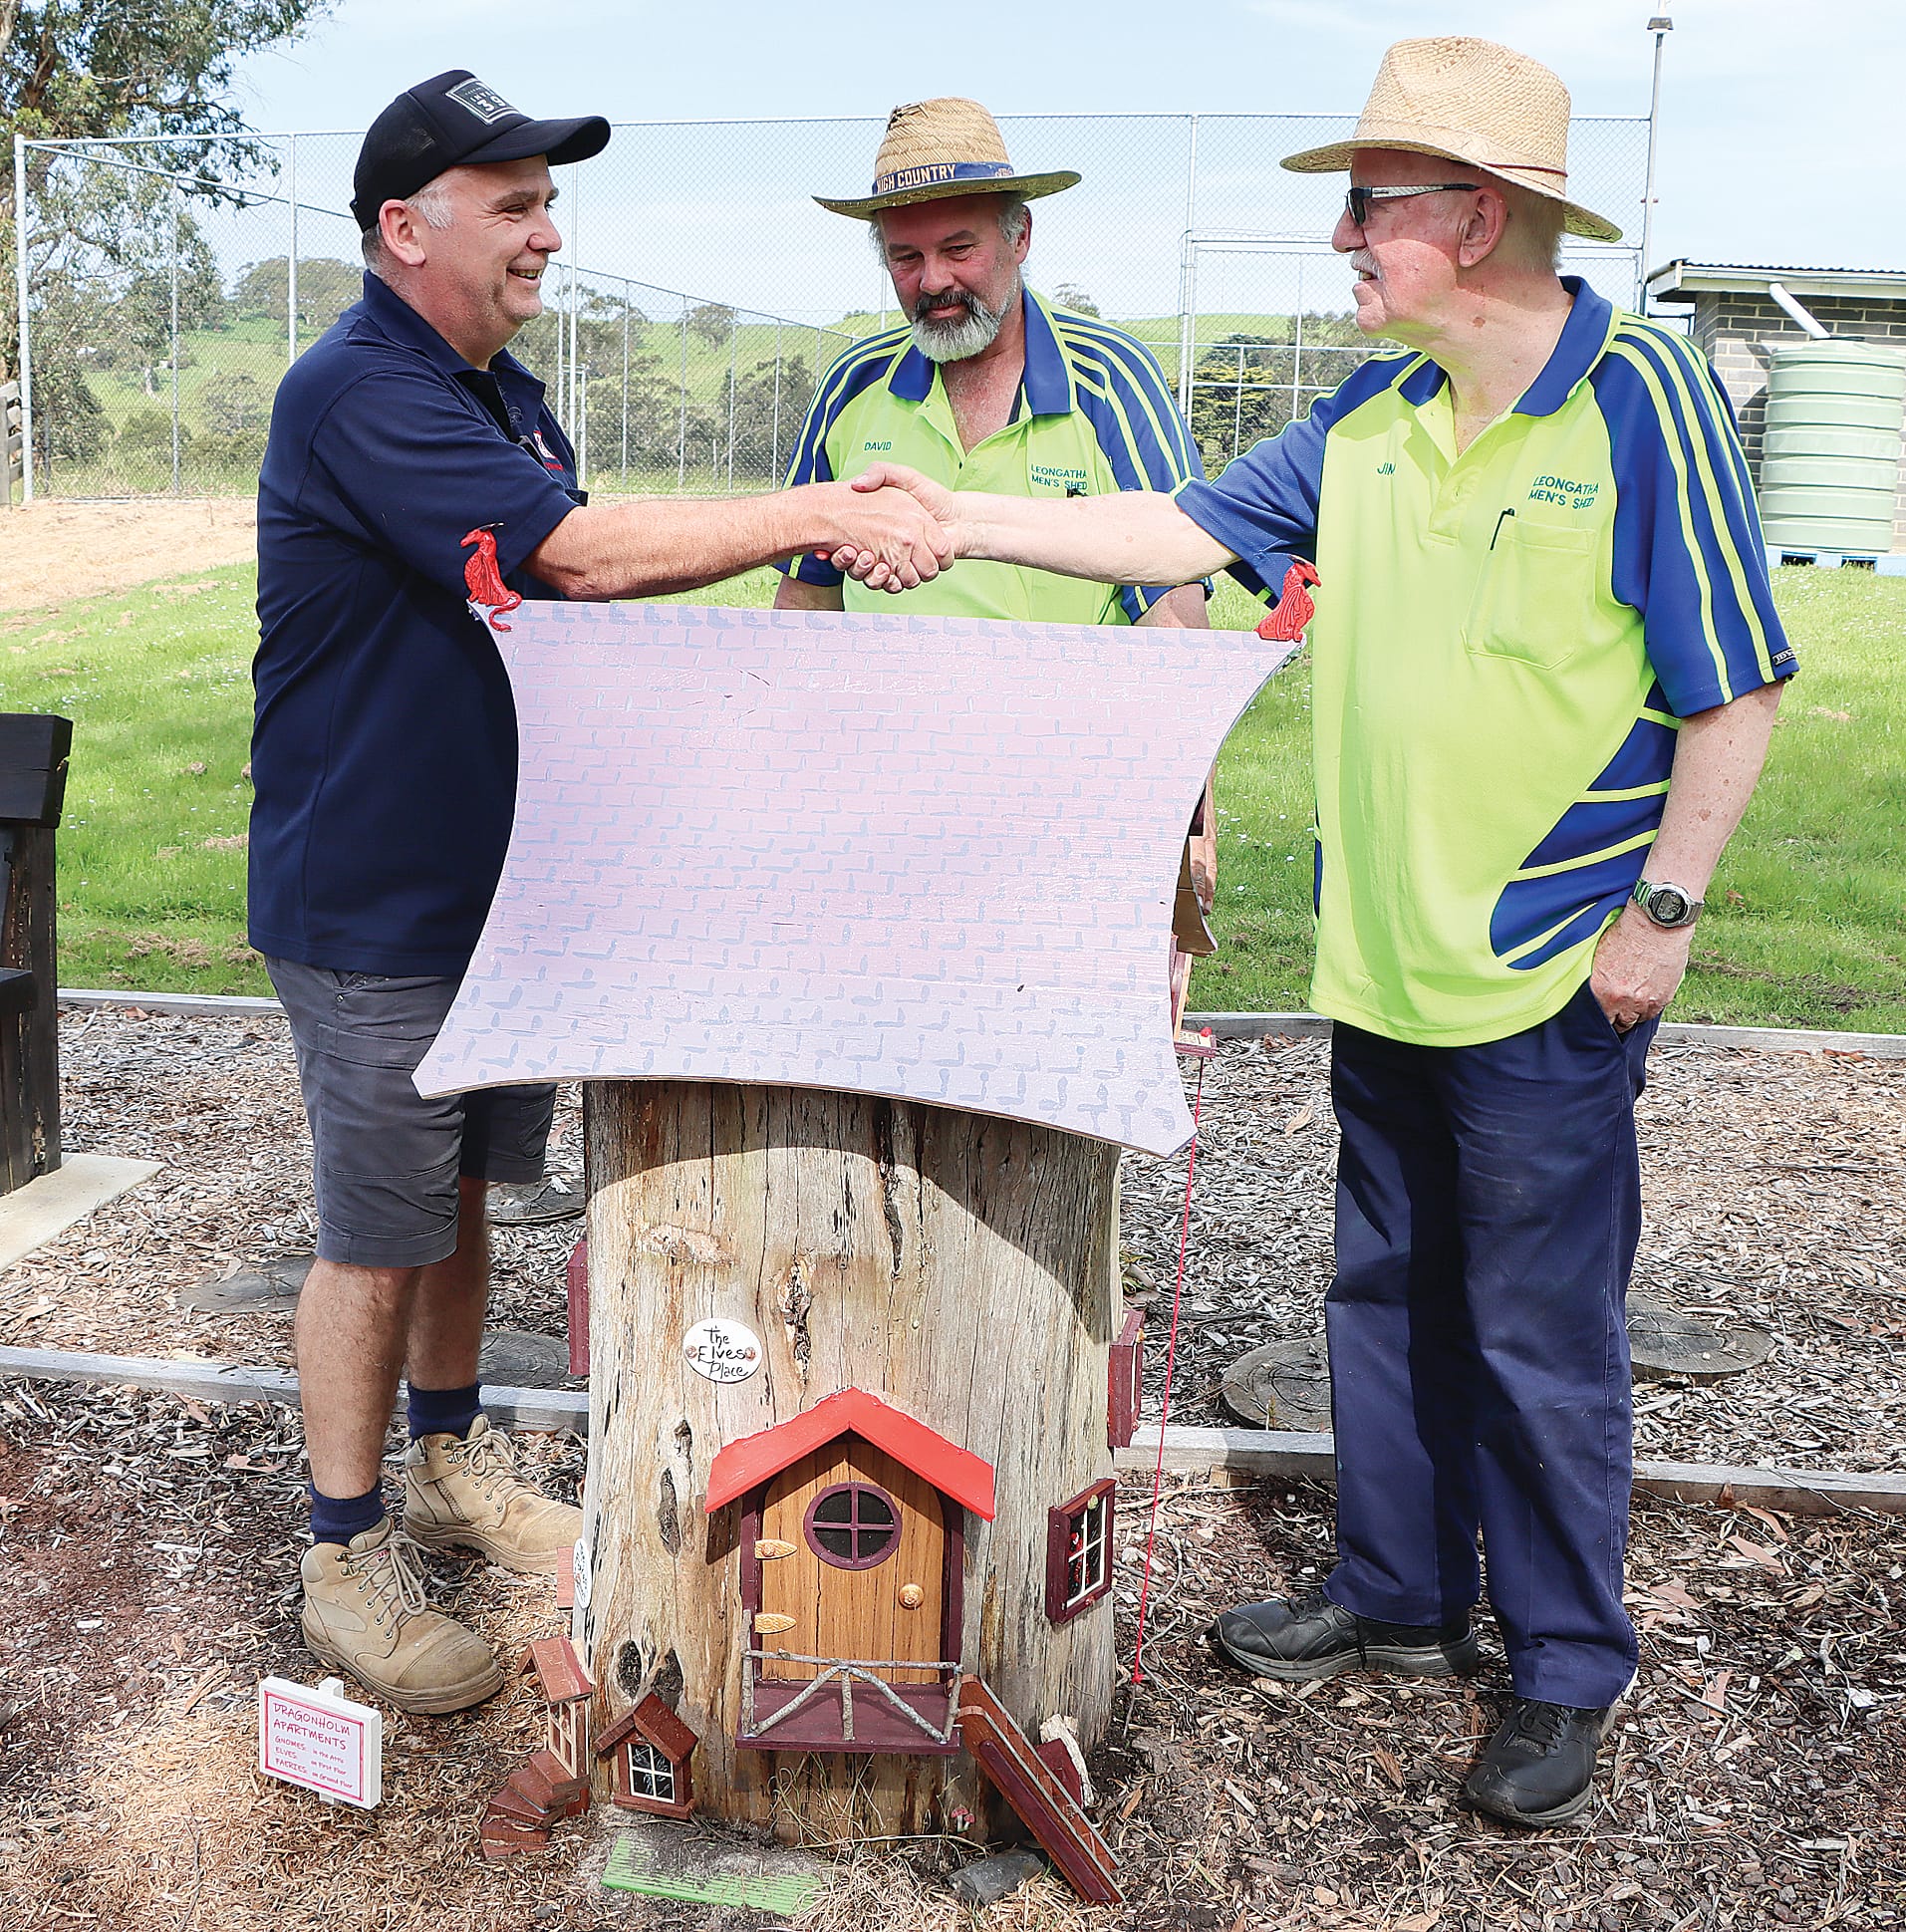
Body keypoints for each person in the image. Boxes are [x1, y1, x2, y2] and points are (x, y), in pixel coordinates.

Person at [829, 37, 1794, 1827]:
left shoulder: (1635, 397)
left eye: (1365, 207)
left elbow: (1729, 688)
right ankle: (1396, 1591)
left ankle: (1566, 1661)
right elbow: (1172, 526)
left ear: (1470, 214)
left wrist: (1658, 910)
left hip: (1547, 963)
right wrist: (952, 515)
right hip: (1381, 959)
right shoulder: (1370, 410)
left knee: (1535, 1329)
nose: (1340, 240)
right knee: (1381, 1295)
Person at [251, 69, 949, 1714]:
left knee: (469, 1199)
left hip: (503, 894)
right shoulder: (360, 388)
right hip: (373, 901)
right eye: (513, 205)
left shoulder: (503, 395)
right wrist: (816, 516)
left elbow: (569, 614)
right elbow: (576, 558)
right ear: (402, 228)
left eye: (546, 202)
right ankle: (338, 1551)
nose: (547, 234)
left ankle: (443, 1461)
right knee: (375, 1232)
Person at [776, 97, 1207, 632]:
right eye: (906, 256)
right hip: (883, 713)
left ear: (1020, 235)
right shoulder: (853, 382)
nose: (932, 281)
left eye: (959, 250)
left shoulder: (1111, 377)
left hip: (1062, 714)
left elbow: (1172, 604)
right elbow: (805, 599)